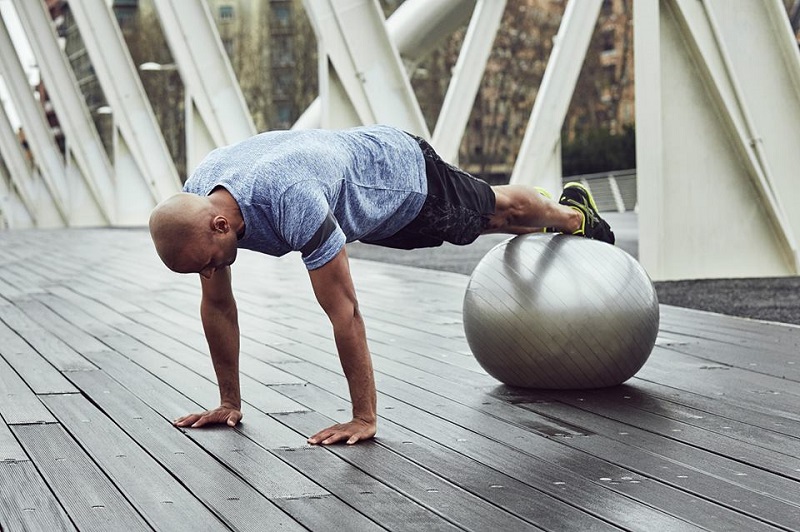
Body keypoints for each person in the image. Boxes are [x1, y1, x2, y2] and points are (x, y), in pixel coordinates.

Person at [148, 125, 614, 445]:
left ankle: (572, 214)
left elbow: (345, 311)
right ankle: (548, 219)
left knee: (498, 212)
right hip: (360, 204)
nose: (209, 274)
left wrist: (363, 417)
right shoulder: (199, 199)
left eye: (207, 264)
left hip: (401, 175)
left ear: (221, 225)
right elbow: (218, 306)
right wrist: (228, 402)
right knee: (480, 226)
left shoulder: (291, 198)